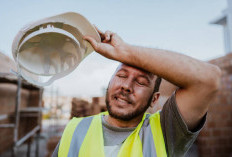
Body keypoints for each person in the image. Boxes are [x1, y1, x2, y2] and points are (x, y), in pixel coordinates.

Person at [52, 27, 221, 157]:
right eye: (121, 75)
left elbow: (209, 79)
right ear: (110, 82)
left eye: (141, 82)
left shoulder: (164, 131)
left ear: (154, 99)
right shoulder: (75, 129)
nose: (126, 86)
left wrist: (125, 51)